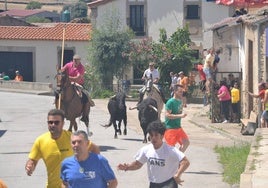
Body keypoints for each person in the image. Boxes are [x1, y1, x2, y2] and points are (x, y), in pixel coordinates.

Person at [25, 109, 100, 188]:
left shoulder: (72, 138)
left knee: (85, 100)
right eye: (50, 122)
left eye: (56, 122)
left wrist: (92, 167)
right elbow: (33, 159)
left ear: (63, 123)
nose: (53, 125)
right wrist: (30, 166)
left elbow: (94, 148)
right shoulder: (41, 141)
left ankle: (84, 116)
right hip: (52, 186)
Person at [117, 120, 190, 188]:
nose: (153, 138)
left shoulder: (170, 150)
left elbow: (185, 162)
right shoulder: (146, 150)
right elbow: (137, 164)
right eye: (151, 135)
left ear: (161, 136)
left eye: (156, 135)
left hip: (168, 183)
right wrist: (127, 167)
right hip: (154, 184)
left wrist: (177, 174)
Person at [57, 54, 95, 122]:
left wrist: (67, 78)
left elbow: (77, 79)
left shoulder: (81, 68)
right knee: (58, 92)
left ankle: (85, 115)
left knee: (85, 96)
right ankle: (58, 108)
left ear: (79, 60)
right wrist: (60, 72)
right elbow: (61, 72)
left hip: (78, 84)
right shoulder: (68, 65)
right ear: (73, 60)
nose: (76, 61)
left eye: (77, 60)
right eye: (74, 60)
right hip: (67, 84)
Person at [164, 84, 190, 152]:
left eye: (182, 92)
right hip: (170, 128)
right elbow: (167, 115)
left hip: (178, 127)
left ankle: (178, 158)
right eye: (180, 91)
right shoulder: (170, 102)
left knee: (186, 143)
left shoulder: (180, 101)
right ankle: (171, 160)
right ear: (175, 91)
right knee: (170, 148)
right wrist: (180, 116)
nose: (182, 93)